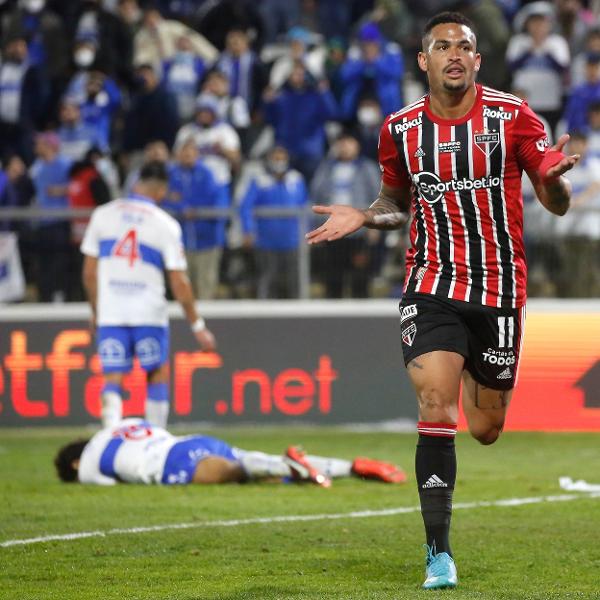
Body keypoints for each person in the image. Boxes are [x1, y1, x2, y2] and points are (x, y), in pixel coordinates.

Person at [306, 12, 579, 590]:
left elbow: (554, 201)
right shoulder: (399, 129)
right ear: (423, 62)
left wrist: (553, 181)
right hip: (430, 284)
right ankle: (438, 553)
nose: (454, 54)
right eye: (442, 46)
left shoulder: (511, 116)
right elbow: (394, 203)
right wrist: (364, 214)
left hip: (500, 289)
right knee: (435, 402)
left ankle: (480, 409)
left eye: (465, 46)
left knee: (485, 426)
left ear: (477, 61)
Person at [80, 161, 217, 430]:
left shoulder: (103, 215)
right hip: (148, 313)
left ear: (136, 184)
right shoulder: (165, 224)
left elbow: (89, 273)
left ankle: (110, 440)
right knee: (157, 373)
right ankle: (157, 441)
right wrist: (197, 326)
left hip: (112, 312)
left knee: (112, 377)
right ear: (162, 191)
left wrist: (97, 312)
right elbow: (179, 281)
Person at [54, 418, 406, 486]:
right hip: (187, 442)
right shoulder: (121, 425)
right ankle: (351, 466)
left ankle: (288, 467)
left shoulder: (86, 462)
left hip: (169, 463)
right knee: (249, 469)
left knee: (233, 472)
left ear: (74, 460)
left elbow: (106, 484)